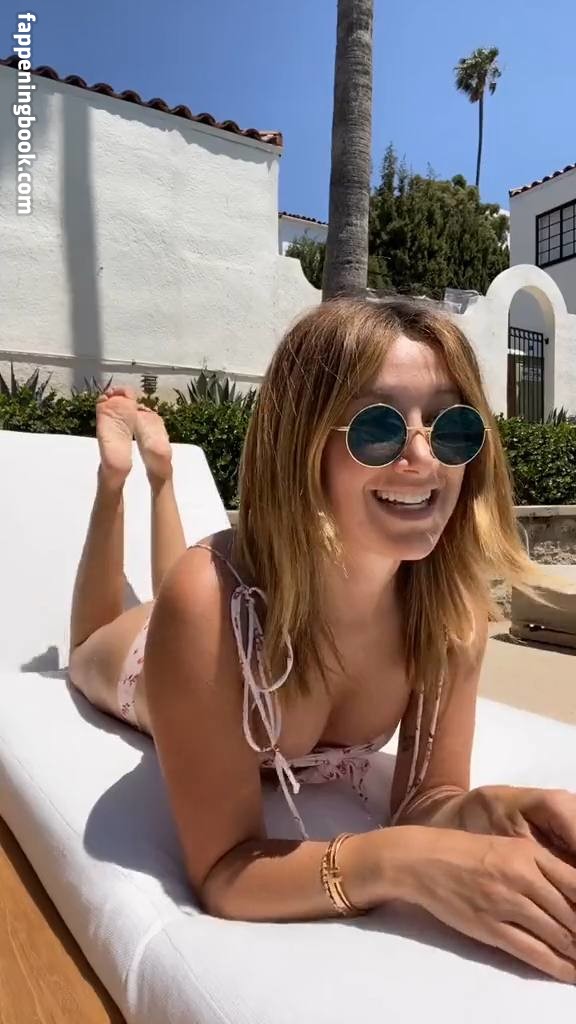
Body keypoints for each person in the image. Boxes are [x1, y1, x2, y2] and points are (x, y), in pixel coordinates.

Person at [68, 297, 576, 984]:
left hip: (223, 616)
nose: (423, 456)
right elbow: (225, 872)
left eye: (454, 427)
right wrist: (399, 863)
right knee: (99, 639)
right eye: (378, 428)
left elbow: (426, 798)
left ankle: (163, 479)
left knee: (180, 588)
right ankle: (122, 479)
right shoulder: (211, 605)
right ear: (303, 443)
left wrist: (498, 809)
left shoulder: (449, 608)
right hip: (155, 656)